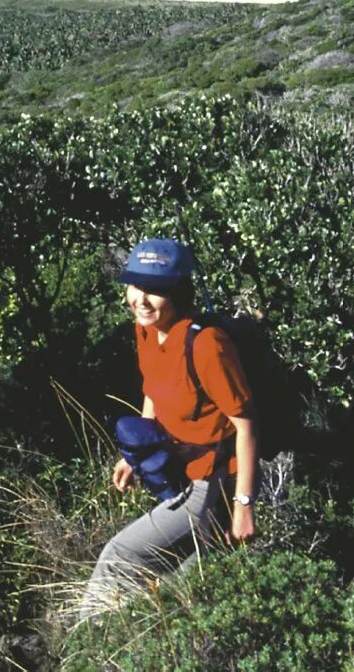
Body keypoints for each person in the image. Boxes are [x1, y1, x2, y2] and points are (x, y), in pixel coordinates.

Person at [80, 238, 258, 618]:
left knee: (118, 555)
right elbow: (153, 389)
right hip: (176, 470)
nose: (141, 299)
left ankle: (86, 644)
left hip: (210, 481)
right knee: (187, 581)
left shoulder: (208, 344)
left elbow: (246, 427)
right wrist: (136, 453)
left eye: (156, 290)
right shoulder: (146, 330)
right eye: (136, 286)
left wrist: (244, 506)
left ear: (177, 292)